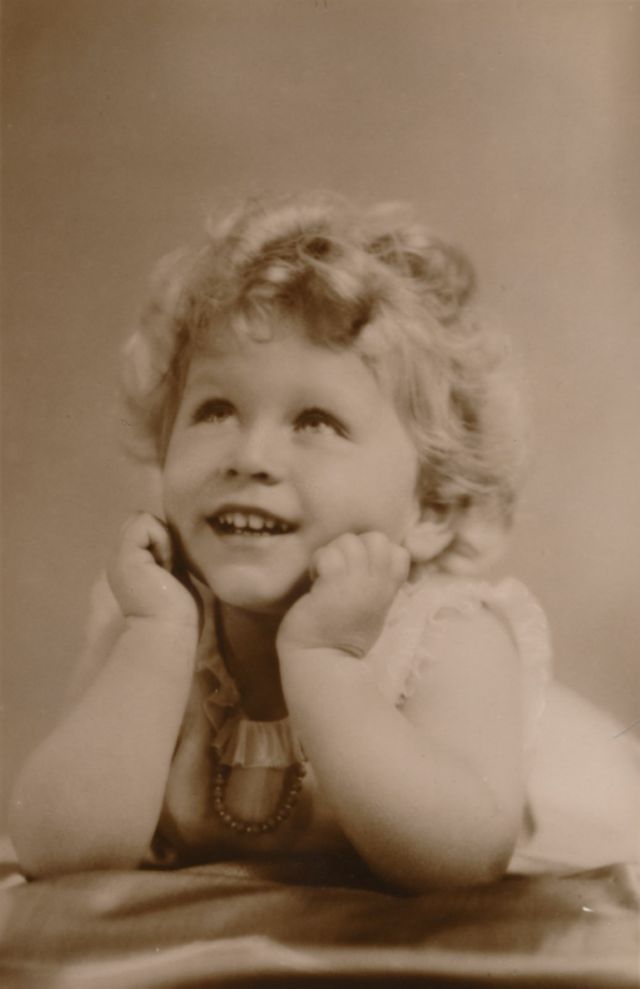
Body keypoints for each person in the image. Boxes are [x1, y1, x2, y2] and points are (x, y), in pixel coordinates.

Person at [9, 193, 639, 890]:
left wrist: (326, 665)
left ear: (430, 504)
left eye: (315, 421)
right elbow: (56, 852)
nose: (250, 455)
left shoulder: (446, 634)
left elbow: (461, 862)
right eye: (215, 409)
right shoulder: (154, 612)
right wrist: (154, 642)